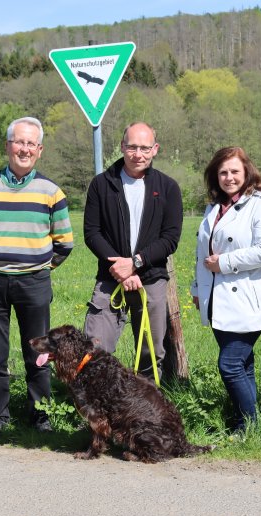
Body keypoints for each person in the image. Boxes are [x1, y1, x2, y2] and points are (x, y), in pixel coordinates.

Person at [0, 116, 73, 438]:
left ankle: (41, 415)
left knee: (38, 353)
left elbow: (64, 243)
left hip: (34, 283)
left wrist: (38, 269)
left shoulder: (51, 192)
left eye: (30, 144)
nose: (24, 149)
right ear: (7, 145)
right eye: (18, 142)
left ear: (39, 150)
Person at [190, 147, 261, 433]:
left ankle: (249, 425)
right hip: (217, 299)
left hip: (248, 298)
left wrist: (226, 262)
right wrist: (197, 288)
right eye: (223, 172)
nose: (229, 177)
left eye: (234, 171)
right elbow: (201, 253)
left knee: (230, 364)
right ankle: (247, 421)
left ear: (247, 173)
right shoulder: (214, 206)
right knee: (243, 364)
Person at [83, 122, 183, 382]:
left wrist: (136, 263)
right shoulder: (102, 184)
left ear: (155, 149)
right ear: (122, 147)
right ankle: (98, 413)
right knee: (95, 348)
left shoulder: (168, 187)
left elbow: (170, 238)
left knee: (151, 352)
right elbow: (92, 233)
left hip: (150, 277)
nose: (138, 154)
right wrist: (121, 269)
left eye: (145, 148)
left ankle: (145, 412)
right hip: (110, 277)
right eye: (132, 147)